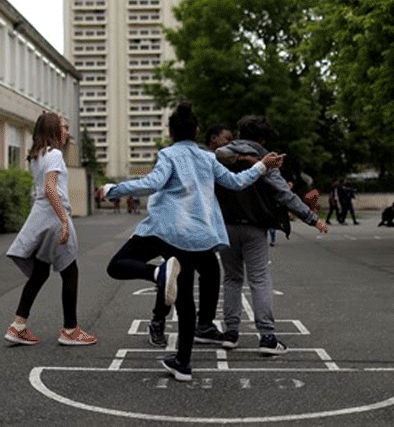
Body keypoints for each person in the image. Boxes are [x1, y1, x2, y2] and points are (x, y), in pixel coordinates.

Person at [101, 102, 285, 381]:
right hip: (196, 236)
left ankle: (156, 273)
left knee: (117, 265)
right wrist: (262, 165)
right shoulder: (207, 157)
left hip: (166, 228)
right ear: (197, 131)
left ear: (170, 131)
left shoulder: (168, 154)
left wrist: (114, 190)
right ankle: (183, 363)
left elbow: (153, 183)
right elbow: (236, 182)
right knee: (185, 299)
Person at [214, 115, 328, 354]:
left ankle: (231, 333)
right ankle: (267, 337)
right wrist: (312, 218)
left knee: (232, 279)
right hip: (255, 226)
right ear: (263, 137)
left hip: (225, 225)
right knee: (259, 279)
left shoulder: (220, 153)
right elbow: (284, 195)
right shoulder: (266, 160)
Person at [5, 112, 97, 347]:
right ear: (53, 130)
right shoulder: (55, 154)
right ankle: (70, 330)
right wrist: (64, 220)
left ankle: (18, 325)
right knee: (70, 270)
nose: (67, 132)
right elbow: (50, 188)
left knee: (40, 272)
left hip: (40, 216)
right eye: (63, 127)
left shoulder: (37, 156)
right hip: (54, 216)